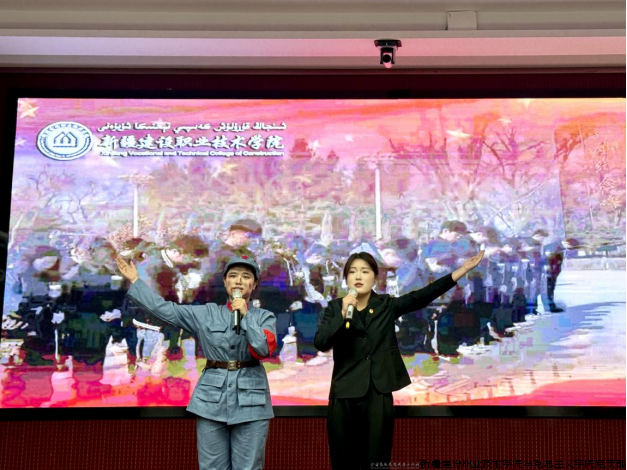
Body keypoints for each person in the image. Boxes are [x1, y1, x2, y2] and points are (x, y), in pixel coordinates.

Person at [314, 249, 484, 470]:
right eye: (353, 272)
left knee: (377, 461)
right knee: (343, 461)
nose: (358, 276)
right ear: (346, 278)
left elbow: (422, 296)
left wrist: (461, 271)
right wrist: (343, 311)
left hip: (378, 392)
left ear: (375, 278)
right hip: (344, 393)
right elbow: (321, 343)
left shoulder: (386, 305)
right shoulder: (335, 308)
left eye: (365, 271)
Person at [116, 254, 277, 470]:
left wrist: (245, 316)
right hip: (211, 400)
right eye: (233, 276)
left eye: (246, 276)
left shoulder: (265, 317)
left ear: (254, 284)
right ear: (225, 282)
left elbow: (263, 349)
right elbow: (166, 310)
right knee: (211, 467)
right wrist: (136, 281)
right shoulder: (206, 313)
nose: (238, 281)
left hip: (251, 401)